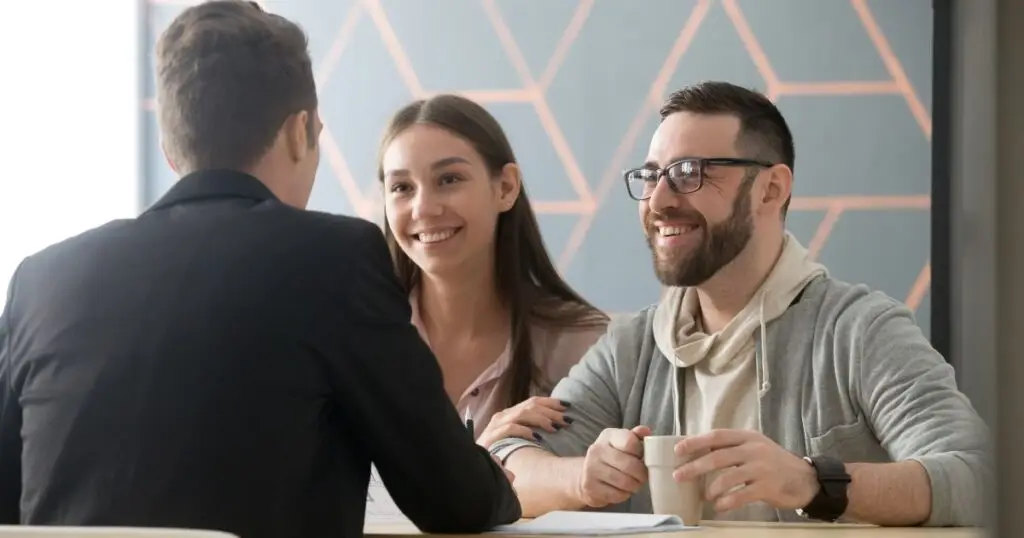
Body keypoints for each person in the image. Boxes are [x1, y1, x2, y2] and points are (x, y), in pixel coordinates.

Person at [0, 3, 520, 538]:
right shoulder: (333, 259)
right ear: (301, 133)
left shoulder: (39, 281)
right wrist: (500, 477)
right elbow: (455, 500)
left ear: (172, 151)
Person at [490, 81, 991, 527]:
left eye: (688, 173)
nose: (658, 201)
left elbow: (980, 478)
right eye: (651, 176)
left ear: (770, 189)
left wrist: (813, 483)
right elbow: (504, 464)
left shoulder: (861, 331)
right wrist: (581, 477)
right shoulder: (633, 347)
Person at [377, 94, 609, 448]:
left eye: (449, 179)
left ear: (505, 188)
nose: (423, 208)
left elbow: (600, 495)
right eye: (402, 188)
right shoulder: (355, 340)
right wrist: (484, 461)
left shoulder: (583, 348)